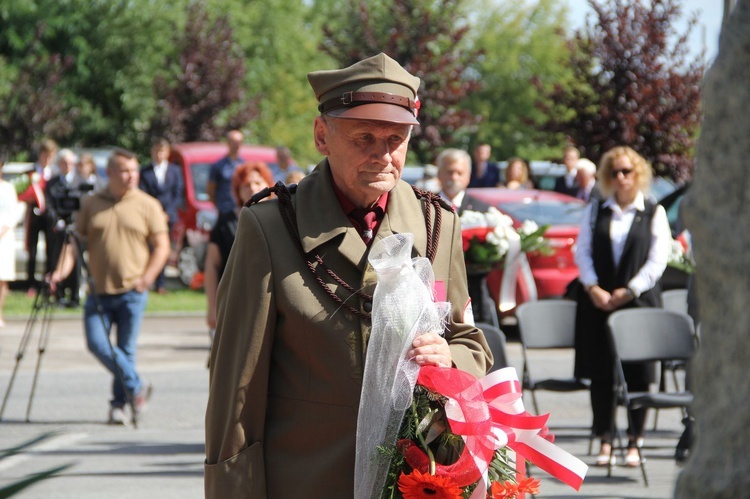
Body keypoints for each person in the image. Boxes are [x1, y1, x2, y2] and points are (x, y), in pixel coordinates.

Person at [204, 53, 492, 498]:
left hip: (415, 479)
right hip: (309, 479)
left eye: (396, 139)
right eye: (364, 137)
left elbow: (470, 341)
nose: (382, 154)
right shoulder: (271, 227)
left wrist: (448, 357)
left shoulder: (438, 225)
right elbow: (235, 389)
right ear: (323, 136)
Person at [51, 148, 170, 426]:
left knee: (125, 351)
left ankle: (119, 406)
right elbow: (74, 245)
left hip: (132, 291)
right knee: (98, 345)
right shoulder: (92, 203)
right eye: (125, 171)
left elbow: (162, 247)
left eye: (134, 171)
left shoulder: (147, 204)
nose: (131, 176)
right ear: (110, 173)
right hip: (98, 292)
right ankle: (137, 387)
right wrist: (58, 273)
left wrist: (147, 278)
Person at [573, 145, 670, 468]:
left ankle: (633, 441)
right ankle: (604, 439)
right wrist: (592, 287)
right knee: (601, 374)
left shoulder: (652, 211)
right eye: (613, 172)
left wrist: (631, 289)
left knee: (638, 373)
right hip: (599, 302)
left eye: (626, 171)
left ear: (638, 174)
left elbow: (658, 259)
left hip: (638, 301)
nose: (620, 178)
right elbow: (582, 250)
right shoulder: (597, 208)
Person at [204, 161, 274, 332]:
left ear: (268, 186)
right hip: (233, 303)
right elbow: (212, 265)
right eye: (246, 185)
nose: (252, 188)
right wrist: (212, 307)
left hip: (271, 303)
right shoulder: (226, 221)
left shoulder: (280, 218)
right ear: (238, 191)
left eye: (258, 183)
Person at [435, 148, 496, 325]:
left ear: (468, 176)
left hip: (474, 292)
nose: (454, 177)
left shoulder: (483, 210)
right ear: (439, 174)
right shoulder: (425, 205)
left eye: (459, 172)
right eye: (449, 171)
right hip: (437, 291)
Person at [139, 138, 184, 294]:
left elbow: (177, 194)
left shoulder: (174, 171)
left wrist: (167, 213)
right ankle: (149, 280)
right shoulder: (145, 171)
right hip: (150, 216)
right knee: (149, 248)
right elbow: (143, 193)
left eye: (162, 151)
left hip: (168, 216)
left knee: (164, 249)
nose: (159, 154)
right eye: (156, 151)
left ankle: (161, 283)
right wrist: (155, 213)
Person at [45, 148, 83, 307]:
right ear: (59, 164)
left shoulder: (80, 182)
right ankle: (58, 294)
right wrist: (58, 221)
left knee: (76, 262)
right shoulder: (53, 183)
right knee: (56, 260)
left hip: (76, 229)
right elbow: (49, 204)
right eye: (65, 163)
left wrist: (75, 221)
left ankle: (74, 296)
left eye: (71, 163)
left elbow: (83, 204)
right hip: (58, 229)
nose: (68, 166)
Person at [26, 139, 58, 295]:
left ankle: (47, 282)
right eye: (45, 155)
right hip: (33, 215)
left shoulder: (54, 174)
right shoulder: (31, 172)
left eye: (50, 156)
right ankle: (31, 283)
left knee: (50, 250)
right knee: (32, 249)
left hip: (49, 217)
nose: (47, 158)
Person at [207, 130, 245, 215]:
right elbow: (211, 189)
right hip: (225, 210)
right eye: (234, 142)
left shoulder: (244, 165)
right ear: (228, 143)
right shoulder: (218, 165)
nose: (236, 145)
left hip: (240, 209)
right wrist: (218, 206)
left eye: (239, 142)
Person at [0, 157, 19, 327]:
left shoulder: (8, 188)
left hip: (4, 237)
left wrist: (3, 230)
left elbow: (13, 213)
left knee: (3, 277)